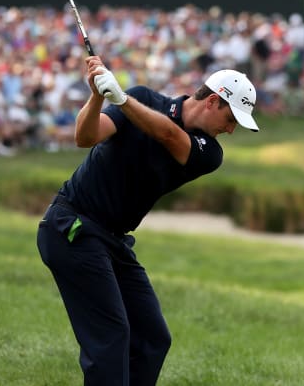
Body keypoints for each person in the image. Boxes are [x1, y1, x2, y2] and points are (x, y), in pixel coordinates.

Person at [36, 56, 259, 385]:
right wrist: (98, 94)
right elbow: (85, 137)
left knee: (153, 338)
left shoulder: (210, 152)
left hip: (112, 239)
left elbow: (168, 136)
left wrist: (123, 100)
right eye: (230, 119)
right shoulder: (145, 99)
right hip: (73, 225)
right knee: (112, 336)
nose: (230, 129)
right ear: (213, 100)